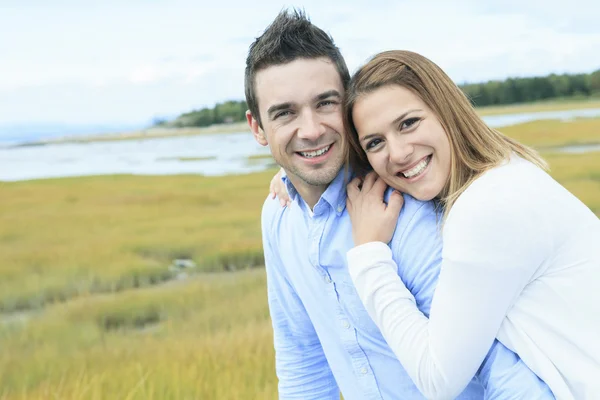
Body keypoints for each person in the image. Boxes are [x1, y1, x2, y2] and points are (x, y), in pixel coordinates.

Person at [247, 9, 554, 400]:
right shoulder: (278, 215)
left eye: (325, 103)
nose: (310, 130)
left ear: (349, 107)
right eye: (285, 112)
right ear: (258, 128)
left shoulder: (405, 211)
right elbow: (302, 359)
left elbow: (506, 371)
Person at [339, 50, 600, 399]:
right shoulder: (506, 172)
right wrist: (293, 179)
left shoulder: (485, 206)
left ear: (446, 109)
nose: (398, 153)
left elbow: (438, 379)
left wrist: (369, 258)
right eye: (375, 143)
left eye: (408, 123)